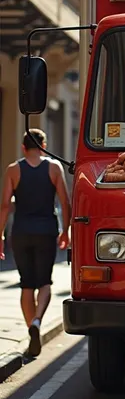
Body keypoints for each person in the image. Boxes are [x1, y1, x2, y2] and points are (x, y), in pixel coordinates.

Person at [0, 129, 71, 357]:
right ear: (43, 145)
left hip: (21, 232)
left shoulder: (13, 169)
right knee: (45, 283)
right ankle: (38, 320)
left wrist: (0, 235)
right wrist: (66, 231)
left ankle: (32, 326)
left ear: (23, 147)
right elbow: (65, 202)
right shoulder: (53, 168)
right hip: (46, 232)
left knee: (26, 284)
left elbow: (4, 206)